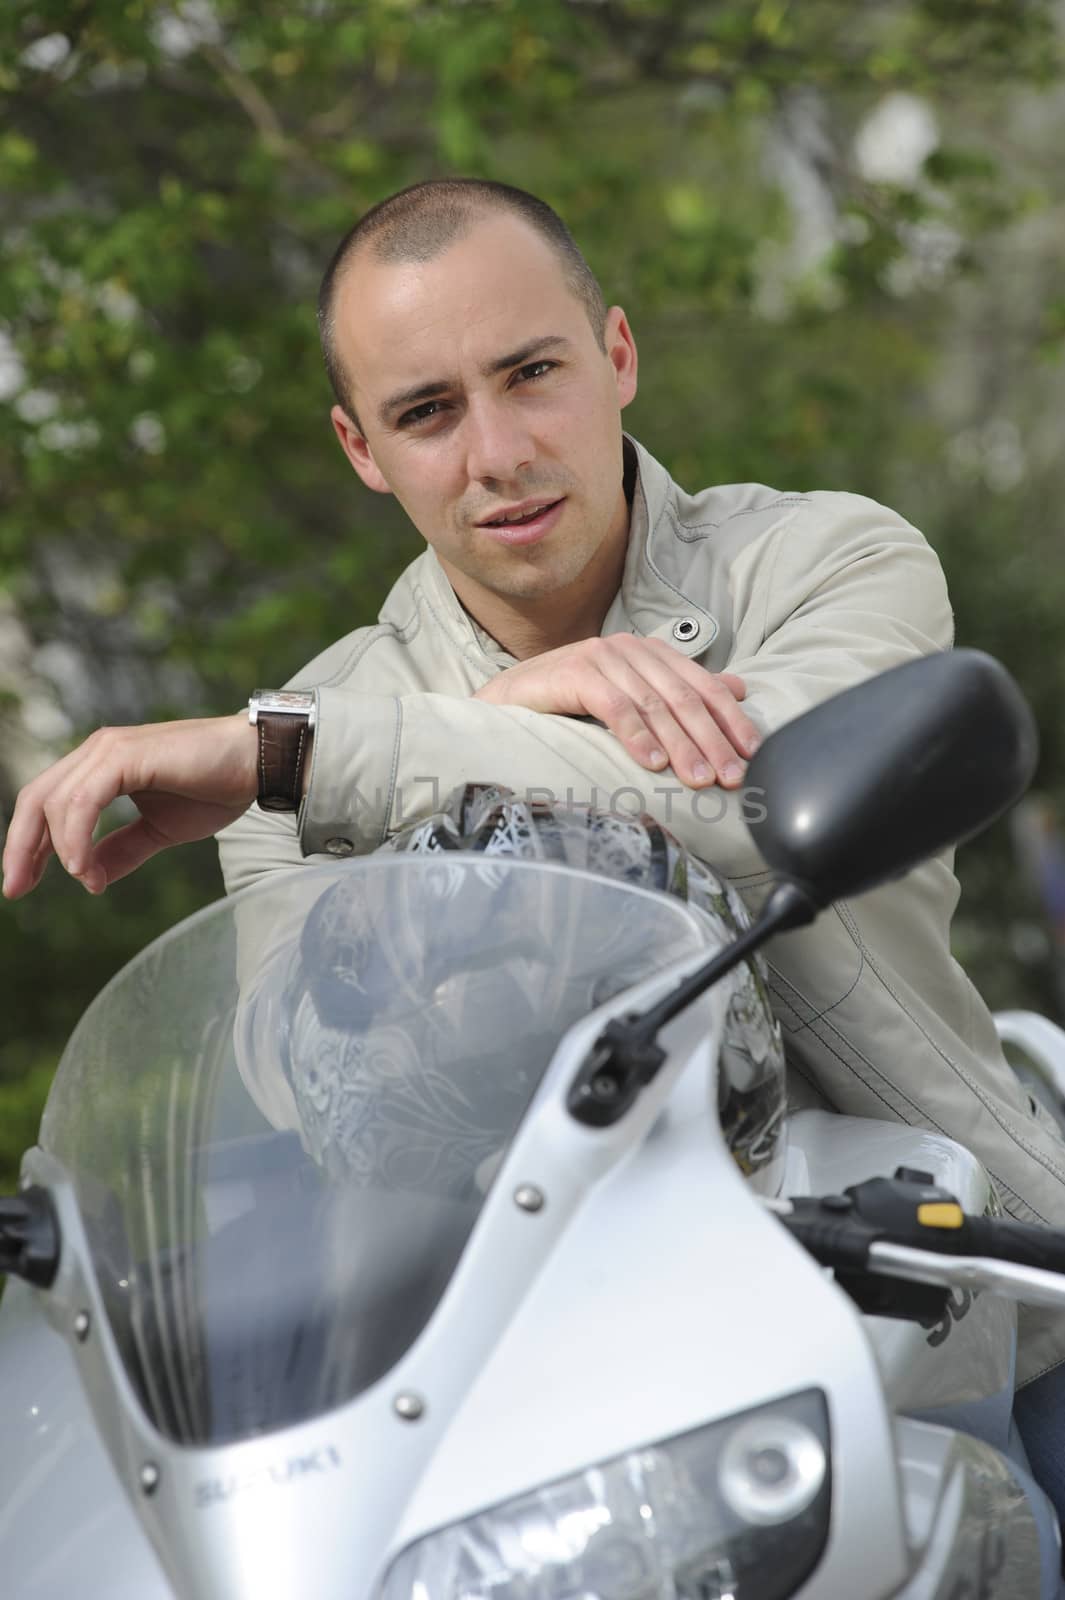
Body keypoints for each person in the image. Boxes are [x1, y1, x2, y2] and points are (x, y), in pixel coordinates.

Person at [5, 177, 1065, 1425]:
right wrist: (512, 719)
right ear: (362, 448)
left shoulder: (828, 561)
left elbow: (753, 804)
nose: (498, 454)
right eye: (426, 411)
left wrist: (358, 755)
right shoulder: (298, 737)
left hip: (940, 1331)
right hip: (545, 1411)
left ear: (617, 355)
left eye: (531, 372)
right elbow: (335, 1100)